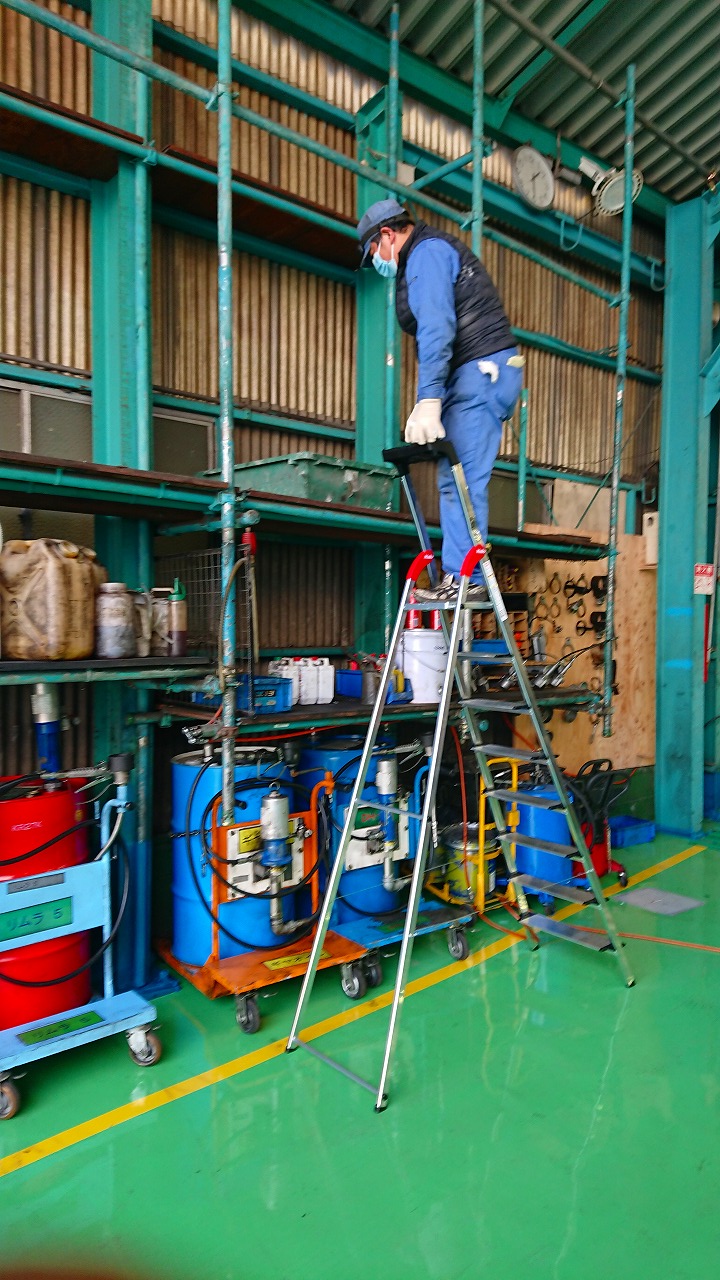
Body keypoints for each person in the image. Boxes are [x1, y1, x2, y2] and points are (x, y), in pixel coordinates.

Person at [357, 197, 524, 602]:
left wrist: (429, 397)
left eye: (374, 251)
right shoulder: (425, 254)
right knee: (455, 477)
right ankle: (460, 576)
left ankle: (467, 579)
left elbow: (437, 328)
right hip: (476, 373)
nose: (377, 261)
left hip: (482, 372)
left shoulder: (426, 253)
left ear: (387, 235)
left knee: (462, 479)